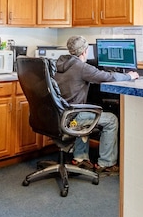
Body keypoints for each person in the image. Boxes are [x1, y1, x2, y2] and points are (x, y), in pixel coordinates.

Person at [54, 36, 138, 175]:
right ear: (85, 51)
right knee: (111, 119)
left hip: (61, 114)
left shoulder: (60, 64)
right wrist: (130, 76)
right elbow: (108, 77)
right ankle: (106, 164)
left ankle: (80, 158)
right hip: (72, 117)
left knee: (85, 110)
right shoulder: (81, 67)